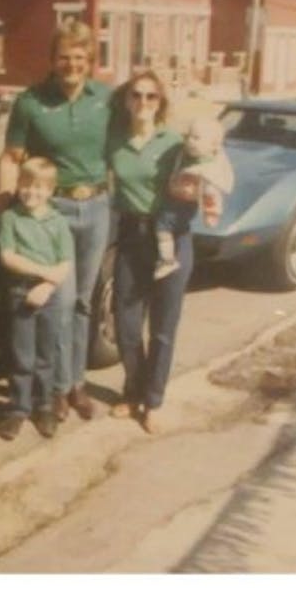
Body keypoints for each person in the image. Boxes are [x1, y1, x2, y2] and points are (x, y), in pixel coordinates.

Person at [0, 21, 121, 423]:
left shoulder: (107, 99)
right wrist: (0, 213)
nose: (72, 64)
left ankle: (75, 384)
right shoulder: (31, 101)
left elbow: (137, 137)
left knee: (84, 301)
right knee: (61, 300)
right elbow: (12, 158)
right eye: (64, 56)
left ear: (90, 62)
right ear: (53, 59)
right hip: (55, 212)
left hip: (98, 206)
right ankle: (54, 391)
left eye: (80, 57)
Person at [106, 69, 200, 433]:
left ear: (160, 102)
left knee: (163, 326)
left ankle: (154, 399)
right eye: (136, 95)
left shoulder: (175, 144)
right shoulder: (114, 140)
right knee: (126, 323)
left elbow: (202, 177)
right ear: (126, 100)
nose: (143, 102)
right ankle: (132, 391)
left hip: (172, 238)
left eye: (151, 96)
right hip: (131, 235)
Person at [0, 156, 74, 440]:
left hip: (49, 295)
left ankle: (44, 407)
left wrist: (48, 285)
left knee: (45, 355)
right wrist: (44, 273)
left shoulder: (58, 222)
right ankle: (17, 408)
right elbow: (8, 256)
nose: (32, 192)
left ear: (51, 190)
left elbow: (66, 262)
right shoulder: (11, 218)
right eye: (26, 185)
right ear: (18, 186)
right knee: (22, 355)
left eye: (39, 187)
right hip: (20, 292)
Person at [152, 115, 234, 280]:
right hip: (178, 199)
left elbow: (212, 192)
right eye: (188, 136)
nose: (190, 141)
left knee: (162, 227)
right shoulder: (186, 155)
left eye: (196, 138)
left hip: (182, 204)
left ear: (214, 145)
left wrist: (210, 213)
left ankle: (167, 260)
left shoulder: (210, 166)